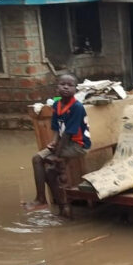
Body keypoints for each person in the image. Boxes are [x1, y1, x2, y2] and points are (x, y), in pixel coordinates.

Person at [23, 74, 91, 211]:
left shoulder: (77, 107)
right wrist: (53, 143)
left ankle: (61, 206)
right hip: (62, 143)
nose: (66, 87)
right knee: (36, 159)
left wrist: (56, 155)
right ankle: (41, 199)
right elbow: (56, 128)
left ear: (75, 89)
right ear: (57, 88)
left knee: (50, 169)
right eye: (62, 84)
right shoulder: (56, 104)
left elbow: (68, 133)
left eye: (70, 85)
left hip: (78, 145)